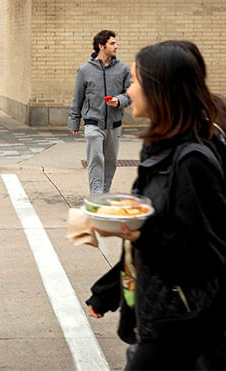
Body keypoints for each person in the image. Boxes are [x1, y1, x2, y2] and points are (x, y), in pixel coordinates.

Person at [86, 42, 226, 370]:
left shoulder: (192, 160)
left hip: (182, 321)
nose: (129, 89)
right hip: (156, 314)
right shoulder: (159, 150)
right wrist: (109, 290)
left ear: (159, 90)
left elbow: (206, 258)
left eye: (135, 81)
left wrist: (137, 232)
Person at [68, 30, 131, 195]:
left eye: (115, 43)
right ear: (101, 46)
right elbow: (77, 97)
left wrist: (119, 100)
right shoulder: (84, 70)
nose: (116, 46)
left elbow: (131, 94)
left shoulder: (123, 68)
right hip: (93, 123)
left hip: (114, 124)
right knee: (96, 159)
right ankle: (96, 195)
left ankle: (104, 192)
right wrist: (74, 121)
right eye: (112, 43)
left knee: (110, 162)